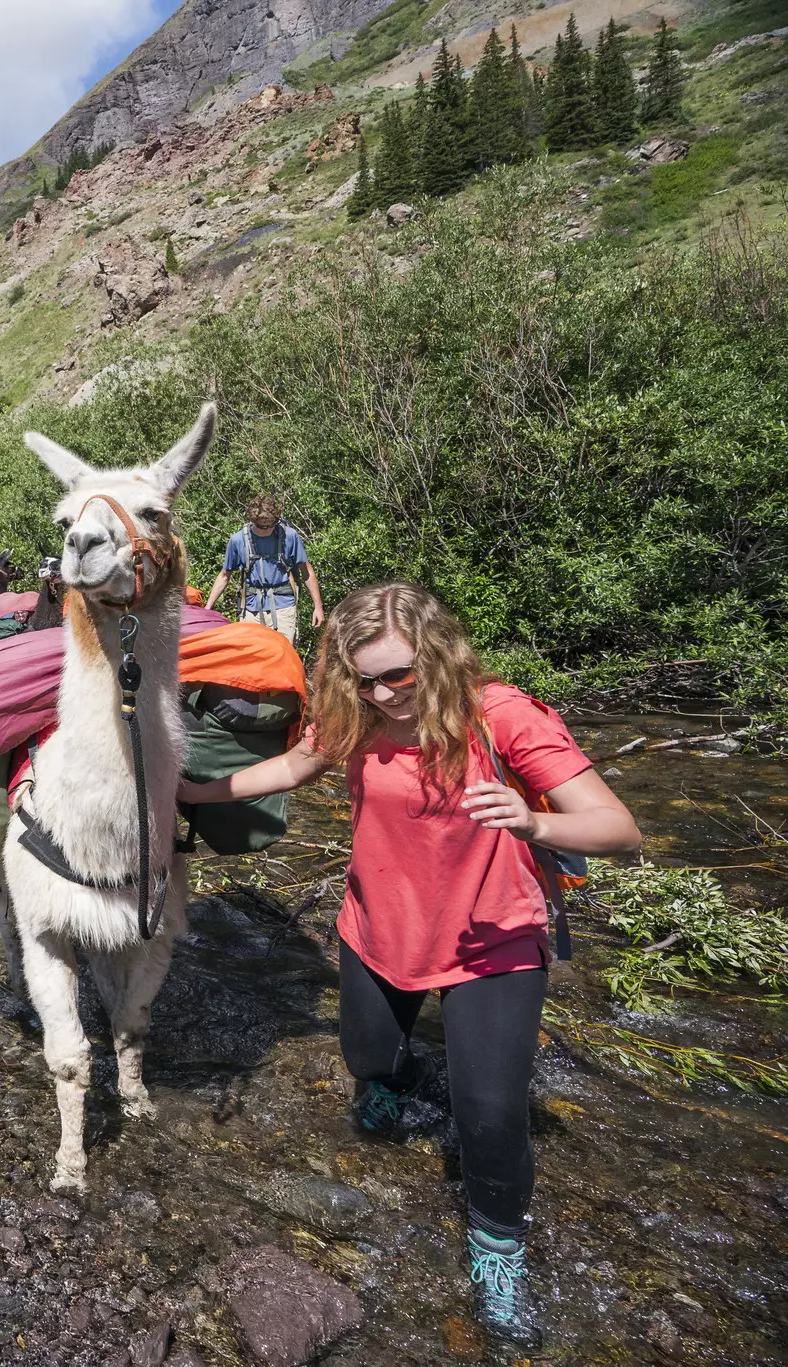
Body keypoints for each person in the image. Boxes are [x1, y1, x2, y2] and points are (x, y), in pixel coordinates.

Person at [177, 583, 640, 1348]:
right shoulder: (355, 716)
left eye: (399, 675)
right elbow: (294, 766)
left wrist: (535, 818)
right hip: (377, 928)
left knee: (488, 1115)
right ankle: (399, 1075)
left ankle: (497, 1245)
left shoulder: (502, 717)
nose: (383, 693)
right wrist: (194, 788)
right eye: (363, 679)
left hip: (492, 939)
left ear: (438, 655)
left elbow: (621, 828)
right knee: (370, 1063)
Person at [208, 495, 323, 642]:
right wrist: (207, 608)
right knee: (252, 656)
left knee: (282, 655)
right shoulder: (238, 540)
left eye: (271, 524)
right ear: (253, 521)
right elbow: (224, 575)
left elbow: (307, 572)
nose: (268, 529)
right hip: (251, 607)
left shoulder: (289, 536)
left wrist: (318, 607)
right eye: (262, 526)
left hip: (283, 605)